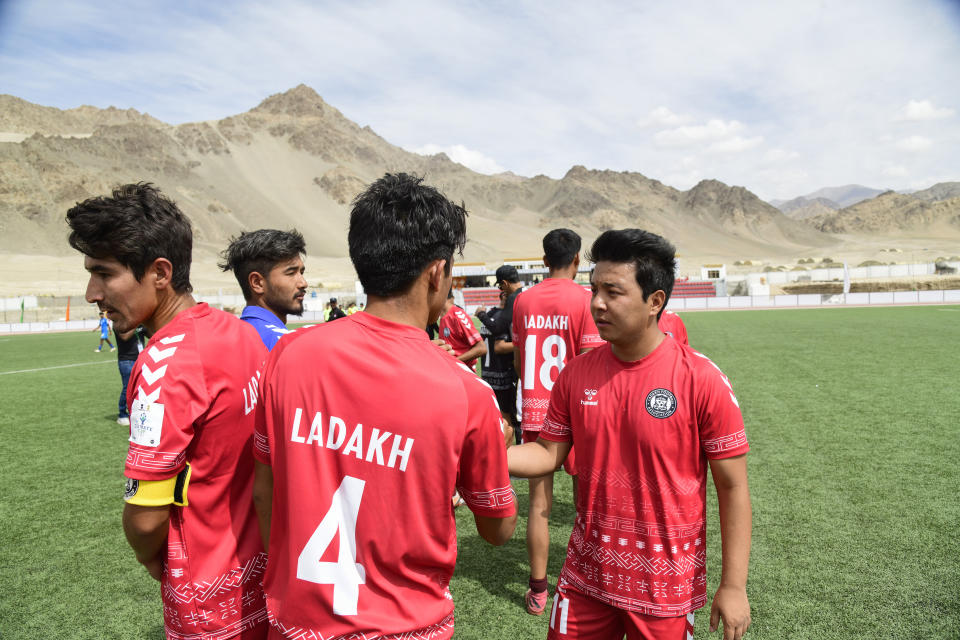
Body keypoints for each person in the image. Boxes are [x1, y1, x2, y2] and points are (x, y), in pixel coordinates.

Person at [252, 172, 516, 640]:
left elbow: (265, 489)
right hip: (405, 626)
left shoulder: (290, 356)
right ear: (438, 272)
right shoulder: (466, 393)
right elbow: (497, 531)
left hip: (296, 621)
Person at [508, 229, 752, 640]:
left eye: (613, 292)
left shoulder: (701, 380)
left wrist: (733, 585)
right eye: (594, 289)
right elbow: (547, 454)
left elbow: (733, 487)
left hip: (664, 591)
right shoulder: (576, 373)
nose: (597, 303)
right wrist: (478, 454)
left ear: (655, 302)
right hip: (586, 577)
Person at [67, 183, 269, 639]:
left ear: (160, 272)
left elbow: (146, 514)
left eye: (104, 274)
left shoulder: (165, 364)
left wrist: (150, 558)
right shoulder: (235, 331)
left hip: (208, 597)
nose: (91, 293)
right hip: (261, 576)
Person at [510, 228, 604, 615]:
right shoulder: (586, 300)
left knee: (538, 505)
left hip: (535, 410)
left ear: (544, 260)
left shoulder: (522, 300)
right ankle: (592, 581)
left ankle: (537, 591)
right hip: (578, 411)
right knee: (590, 504)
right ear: (578, 260)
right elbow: (591, 361)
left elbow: (519, 362)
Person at [219, 229, 308, 350]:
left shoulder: (233, 339)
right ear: (257, 283)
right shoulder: (282, 345)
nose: (303, 283)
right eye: (291, 273)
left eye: (301, 272)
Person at [479, 290, 520, 443]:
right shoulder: (502, 319)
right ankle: (506, 453)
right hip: (502, 373)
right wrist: (523, 342)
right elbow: (500, 346)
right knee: (508, 418)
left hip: (487, 372)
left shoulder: (489, 315)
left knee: (496, 415)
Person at [438, 289, 487, 370]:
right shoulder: (443, 317)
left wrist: (453, 362)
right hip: (452, 373)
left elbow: (481, 348)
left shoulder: (457, 315)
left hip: (463, 375)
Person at [474, 264, 523, 338]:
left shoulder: (514, 298)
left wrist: (481, 314)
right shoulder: (528, 293)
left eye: (501, 287)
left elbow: (497, 329)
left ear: (505, 283)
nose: (503, 291)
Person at [115, 326, 145, 426]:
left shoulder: (139, 323)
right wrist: (138, 326)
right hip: (126, 360)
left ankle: (137, 411)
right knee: (127, 388)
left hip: (140, 359)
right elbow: (124, 337)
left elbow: (151, 333)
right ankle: (122, 414)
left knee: (141, 388)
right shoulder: (120, 323)